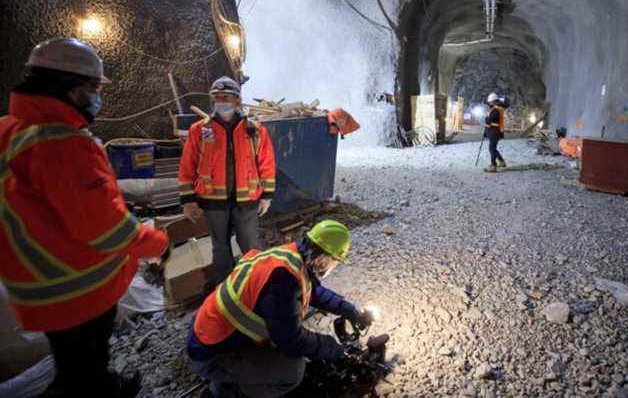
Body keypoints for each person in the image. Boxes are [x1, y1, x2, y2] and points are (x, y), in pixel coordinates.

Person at [0, 37, 170, 396]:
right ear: (70, 89)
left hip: (36, 280)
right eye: (93, 87)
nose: (97, 96)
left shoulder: (9, 130)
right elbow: (104, 229)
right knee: (84, 364)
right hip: (75, 288)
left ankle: (98, 384)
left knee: (76, 362)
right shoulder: (66, 145)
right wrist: (156, 240)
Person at [187, 220, 373, 398]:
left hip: (212, 333)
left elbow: (313, 292)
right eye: (335, 261)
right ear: (324, 258)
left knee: (295, 345)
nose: (334, 266)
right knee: (292, 372)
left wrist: (348, 310)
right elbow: (292, 341)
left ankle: (236, 377)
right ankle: (226, 392)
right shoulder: (283, 280)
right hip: (212, 354)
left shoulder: (290, 257)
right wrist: (332, 348)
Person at [179, 76, 277, 287]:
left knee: (250, 245)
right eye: (217, 97)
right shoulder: (199, 130)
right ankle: (225, 290)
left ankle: (257, 286)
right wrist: (188, 200)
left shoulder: (256, 131)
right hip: (213, 201)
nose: (221, 101)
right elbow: (187, 166)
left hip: (247, 200)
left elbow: (266, 164)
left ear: (237, 101)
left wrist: (267, 195)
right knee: (220, 248)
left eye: (226, 97)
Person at [483, 92, 507, 173]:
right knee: (493, 148)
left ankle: (493, 165)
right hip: (496, 131)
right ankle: (501, 161)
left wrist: (486, 118)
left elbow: (489, 121)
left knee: (491, 148)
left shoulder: (495, 110)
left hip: (494, 132)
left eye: (490, 102)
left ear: (493, 101)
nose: (489, 104)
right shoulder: (499, 109)